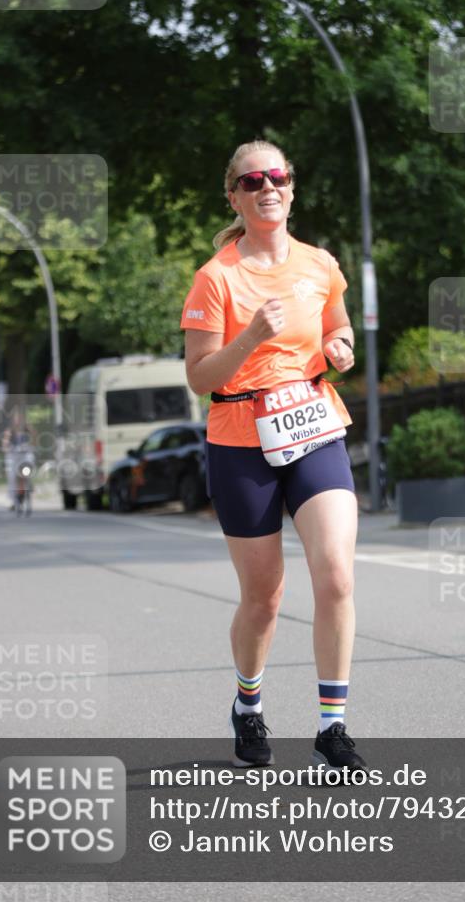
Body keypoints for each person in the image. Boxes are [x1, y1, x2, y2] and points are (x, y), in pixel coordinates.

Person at [181, 139, 367, 774]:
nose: (268, 187)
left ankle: (332, 728)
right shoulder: (217, 278)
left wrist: (342, 346)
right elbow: (200, 376)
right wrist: (252, 335)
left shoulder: (320, 264)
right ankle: (248, 703)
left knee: (336, 574)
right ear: (233, 195)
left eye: (277, 177)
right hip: (241, 437)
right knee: (264, 595)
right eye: (252, 180)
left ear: (291, 188)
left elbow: (338, 325)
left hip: (314, 424)